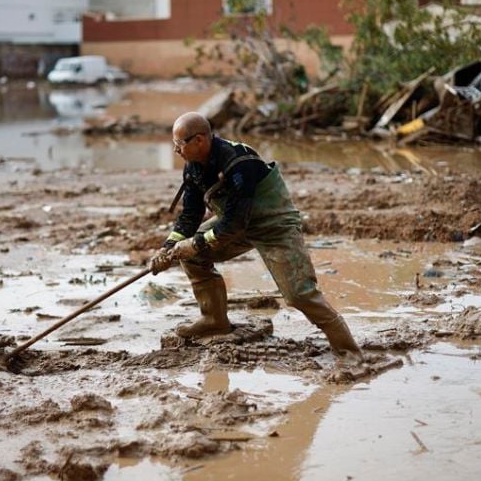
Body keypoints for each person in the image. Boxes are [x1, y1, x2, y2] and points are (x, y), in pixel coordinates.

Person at [150, 112, 364, 360]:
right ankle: (214, 320)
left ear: (199, 140)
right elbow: (190, 214)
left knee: (299, 294)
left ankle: (349, 351)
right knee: (191, 257)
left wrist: (195, 244)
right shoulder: (193, 167)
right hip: (234, 221)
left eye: (179, 144)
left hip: (274, 225)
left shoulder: (240, 162)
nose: (177, 151)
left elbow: (235, 224)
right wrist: (168, 247)